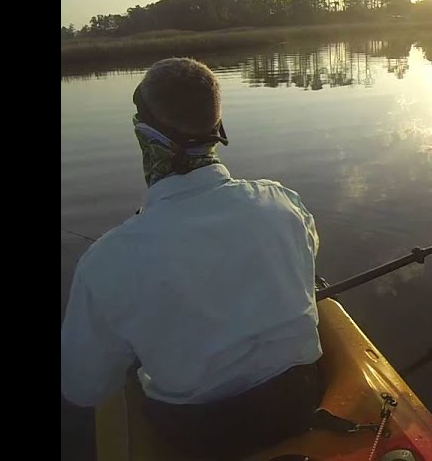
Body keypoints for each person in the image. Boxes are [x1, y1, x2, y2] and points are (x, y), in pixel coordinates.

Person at [61, 57, 324, 458]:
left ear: (143, 135)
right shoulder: (283, 203)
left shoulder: (106, 261)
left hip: (200, 434)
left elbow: (83, 389)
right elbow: (309, 258)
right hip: (301, 402)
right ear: (218, 129)